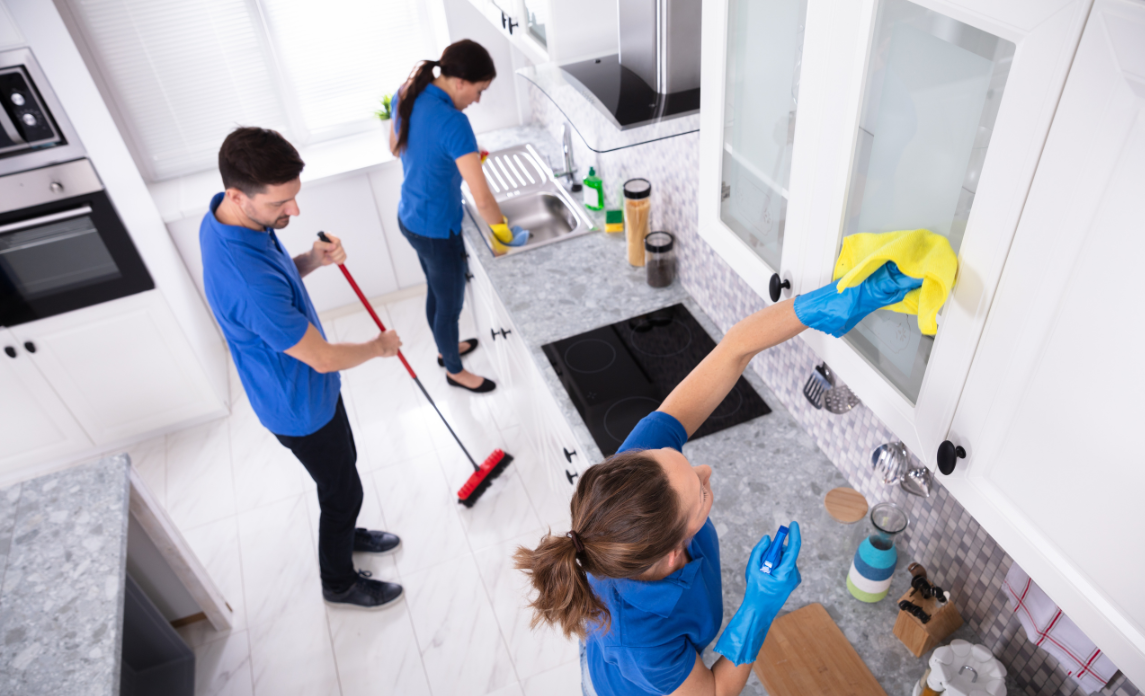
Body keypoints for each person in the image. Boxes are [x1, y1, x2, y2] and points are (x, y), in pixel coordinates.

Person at [514, 264, 924, 695]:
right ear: (675, 552)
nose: (704, 470)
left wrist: (820, 305)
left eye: (678, 459)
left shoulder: (636, 479)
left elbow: (734, 350)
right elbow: (712, 691)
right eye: (701, 492)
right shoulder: (640, 636)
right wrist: (759, 605)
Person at [200, 127, 405, 610]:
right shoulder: (245, 279)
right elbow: (323, 356)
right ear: (238, 194)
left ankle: (348, 531)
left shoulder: (228, 219)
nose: (294, 211)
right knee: (341, 492)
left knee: (343, 473)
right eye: (282, 204)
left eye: (294, 198)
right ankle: (339, 584)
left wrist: (311, 258)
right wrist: (378, 346)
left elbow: (278, 281)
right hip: (298, 405)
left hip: (306, 390)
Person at [390, 39, 522, 393]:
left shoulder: (407, 93)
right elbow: (482, 198)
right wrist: (504, 232)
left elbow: (397, 146)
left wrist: (456, 157)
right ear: (460, 82)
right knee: (449, 305)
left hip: (410, 216)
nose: (478, 100)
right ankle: (453, 369)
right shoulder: (454, 123)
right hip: (437, 229)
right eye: (479, 91)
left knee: (436, 290)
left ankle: (442, 348)